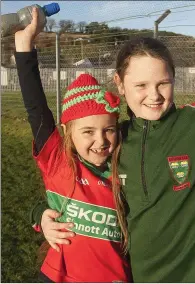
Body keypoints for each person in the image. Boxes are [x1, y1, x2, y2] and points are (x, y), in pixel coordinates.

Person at [30, 24, 195, 282]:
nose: (154, 95)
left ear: (174, 78)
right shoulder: (115, 140)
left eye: (163, 83)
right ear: (120, 84)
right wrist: (41, 215)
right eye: (141, 85)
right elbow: (73, 187)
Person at [14, 7, 132, 283]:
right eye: (88, 131)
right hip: (57, 277)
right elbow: (36, 108)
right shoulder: (58, 161)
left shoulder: (127, 161)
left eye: (109, 130)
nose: (101, 140)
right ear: (67, 132)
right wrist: (24, 44)